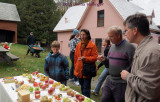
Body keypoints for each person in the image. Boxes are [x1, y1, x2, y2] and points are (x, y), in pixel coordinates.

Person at [121, 13, 160, 102]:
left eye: (126, 30)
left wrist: (127, 76)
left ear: (135, 30)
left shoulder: (151, 52)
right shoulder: (143, 47)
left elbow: (150, 90)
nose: (125, 34)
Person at [98, 26, 135, 102]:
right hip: (110, 80)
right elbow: (109, 65)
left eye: (111, 36)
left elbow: (135, 66)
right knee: (104, 99)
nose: (109, 39)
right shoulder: (112, 47)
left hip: (122, 83)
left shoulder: (130, 47)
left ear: (118, 35)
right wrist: (104, 60)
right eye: (109, 36)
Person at [74, 29, 98, 98]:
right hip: (79, 70)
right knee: (82, 87)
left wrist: (86, 58)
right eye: (81, 35)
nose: (82, 36)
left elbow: (95, 57)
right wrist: (76, 66)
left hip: (88, 70)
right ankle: (82, 99)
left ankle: (86, 99)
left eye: (84, 34)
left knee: (86, 89)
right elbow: (75, 57)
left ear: (87, 35)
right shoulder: (78, 45)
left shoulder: (92, 45)